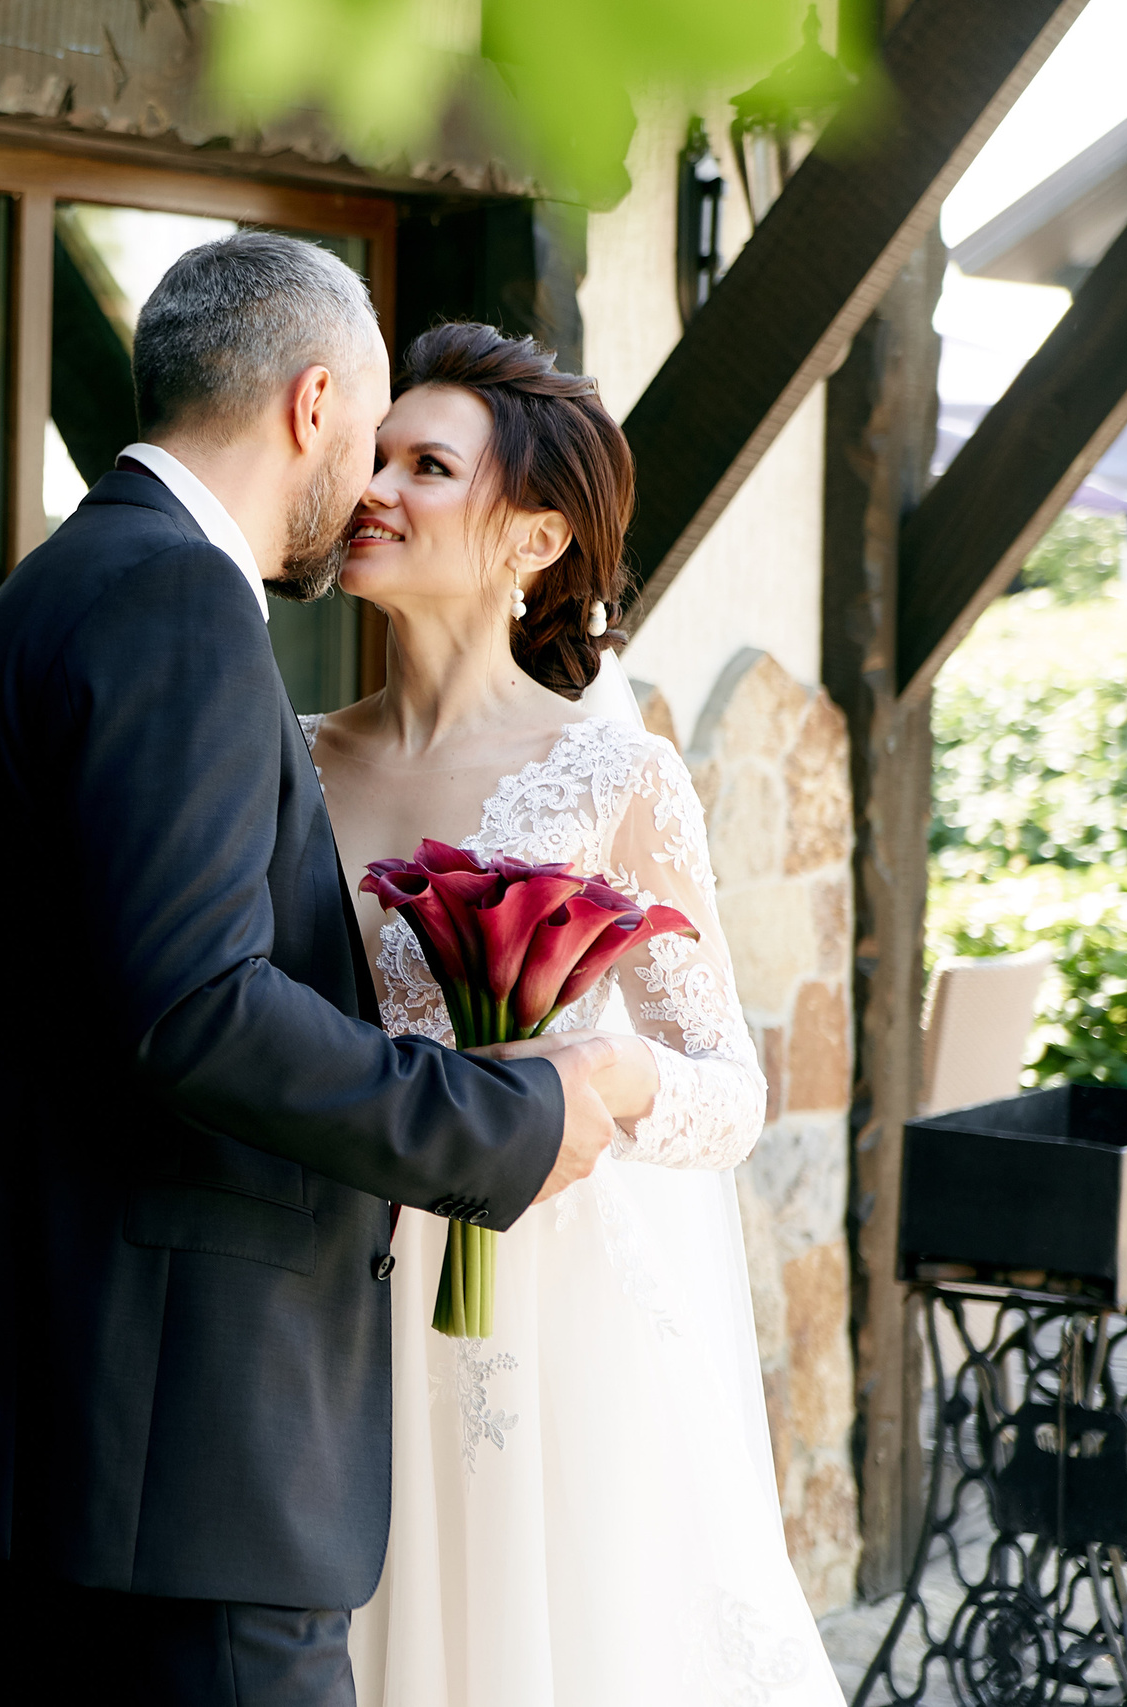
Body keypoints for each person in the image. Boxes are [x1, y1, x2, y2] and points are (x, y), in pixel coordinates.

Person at [0, 234, 638, 1705]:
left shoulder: (52, 595)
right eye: (374, 432)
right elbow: (198, 1008)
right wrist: (513, 1120)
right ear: (310, 405)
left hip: (84, 1442)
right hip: (186, 1458)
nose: (376, 480)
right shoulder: (178, 605)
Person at [311, 322, 845, 1705]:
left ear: (533, 544)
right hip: (331, 1296)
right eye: (374, 454)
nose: (375, 486)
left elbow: (728, 1091)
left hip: (555, 1315)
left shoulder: (614, 774)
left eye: (426, 464)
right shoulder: (289, 761)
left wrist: (603, 1070)